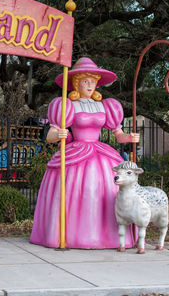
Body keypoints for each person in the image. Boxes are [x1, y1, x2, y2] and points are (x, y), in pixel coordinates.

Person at [30, 57, 140, 249]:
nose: (90, 85)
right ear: (75, 83)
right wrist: (59, 134)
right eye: (85, 81)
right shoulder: (65, 105)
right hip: (76, 152)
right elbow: (50, 136)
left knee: (111, 184)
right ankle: (72, 234)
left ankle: (110, 235)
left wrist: (129, 138)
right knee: (73, 189)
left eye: (93, 81)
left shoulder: (106, 106)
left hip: (101, 152)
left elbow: (118, 135)